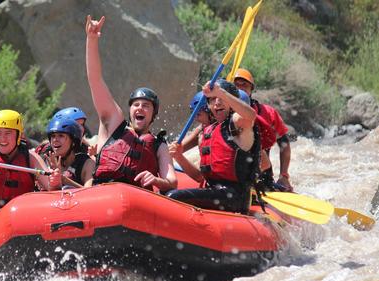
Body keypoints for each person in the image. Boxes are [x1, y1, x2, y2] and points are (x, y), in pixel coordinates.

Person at [85, 15, 177, 192]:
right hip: (103, 194)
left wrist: (156, 179)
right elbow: (95, 80)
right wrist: (91, 39)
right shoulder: (113, 124)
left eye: (146, 105)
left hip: (136, 201)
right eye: (136, 105)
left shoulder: (159, 145)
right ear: (129, 110)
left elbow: (172, 181)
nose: (140, 108)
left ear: (153, 115)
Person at [166, 79, 259, 213]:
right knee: (168, 193)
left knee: (173, 197)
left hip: (235, 197)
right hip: (214, 193)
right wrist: (179, 156)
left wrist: (221, 93)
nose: (217, 102)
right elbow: (199, 176)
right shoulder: (205, 133)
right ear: (208, 105)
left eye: (220, 98)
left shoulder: (236, 125)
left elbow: (250, 115)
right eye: (212, 99)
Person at [233, 68, 293, 192]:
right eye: (236, 85)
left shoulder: (268, 113)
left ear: (251, 89)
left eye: (244, 85)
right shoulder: (220, 110)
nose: (240, 88)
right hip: (229, 175)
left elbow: (284, 144)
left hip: (261, 175)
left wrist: (284, 176)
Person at [43, 117, 95, 188]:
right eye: (53, 136)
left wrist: (63, 179)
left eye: (61, 136)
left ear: (73, 142)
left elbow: (90, 192)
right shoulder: (46, 163)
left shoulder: (87, 164)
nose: (55, 140)